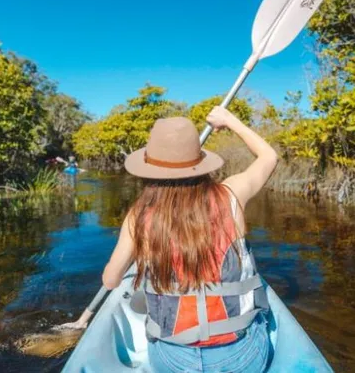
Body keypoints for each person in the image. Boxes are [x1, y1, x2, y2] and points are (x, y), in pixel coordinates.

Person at [67, 106, 278, 373]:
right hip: (239, 356)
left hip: (174, 359)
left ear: (149, 168)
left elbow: (111, 280)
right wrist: (230, 121)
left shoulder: (138, 216)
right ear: (200, 162)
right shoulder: (232, 194)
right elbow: (269, 156)